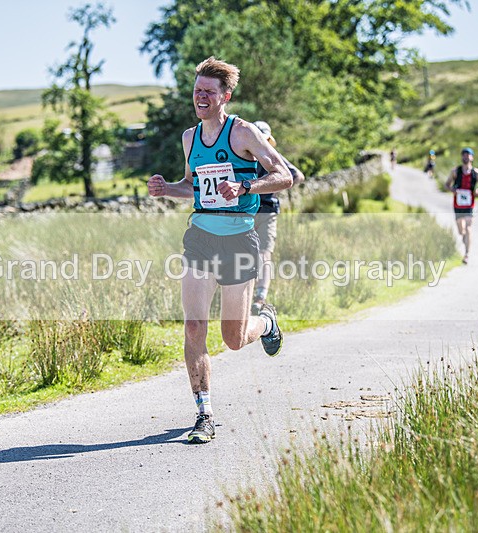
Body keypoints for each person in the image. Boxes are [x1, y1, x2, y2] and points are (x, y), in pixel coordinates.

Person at [147, 57, 292, 444]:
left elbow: (284, 176)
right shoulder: (189, 138)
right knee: (194, 326)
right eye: (197, 91)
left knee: (233, 337)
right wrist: (167, 189)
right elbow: (191, 187)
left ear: (225, 96)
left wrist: (245, 188)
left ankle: (266, 323)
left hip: (239, 239)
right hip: (200, 237)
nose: (201, 97)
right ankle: (204, 413)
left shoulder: (243, 133)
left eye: (208, 92)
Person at [250, 120, 305, 315]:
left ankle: (258, 297)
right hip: (251, 210)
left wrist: (277, 185)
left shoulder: (250, 154)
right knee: (252, 254)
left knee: (262, 253)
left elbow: (296, 175)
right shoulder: (263, 156)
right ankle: (250, 297)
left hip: (261, 210)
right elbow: (297, 175)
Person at [445, 147, 478, 265]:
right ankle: (464, 238)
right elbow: (447, 184)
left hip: (470, 204)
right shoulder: (455, 171)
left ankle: (467, 254)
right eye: (464, 155)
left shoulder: (476, 173)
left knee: (468, 228)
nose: (466, 157)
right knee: (460, 230)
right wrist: (452, 190)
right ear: (461, 157)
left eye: (468, 155)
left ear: (472, 157)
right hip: (458, 204)